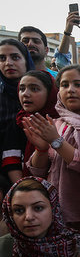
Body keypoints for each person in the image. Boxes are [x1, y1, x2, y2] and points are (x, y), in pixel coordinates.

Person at [24, 64, 80, 237]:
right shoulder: (55, 124)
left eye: (78, 84)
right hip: (57, 205)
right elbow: (39, 170)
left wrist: (55, 141)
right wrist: (42, 149)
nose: (70, 90)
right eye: (65, 85)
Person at [0, 39, 35, 183]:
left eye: (15, 57)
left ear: (26, 60)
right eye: (2, 58)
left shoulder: (46, 96)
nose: (8, 63)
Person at [17, 70, 59, 177]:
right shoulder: (20, 120)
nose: (25, 94)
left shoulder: (60, 123)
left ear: (50, 93)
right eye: (21, 89)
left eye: (34, 89)